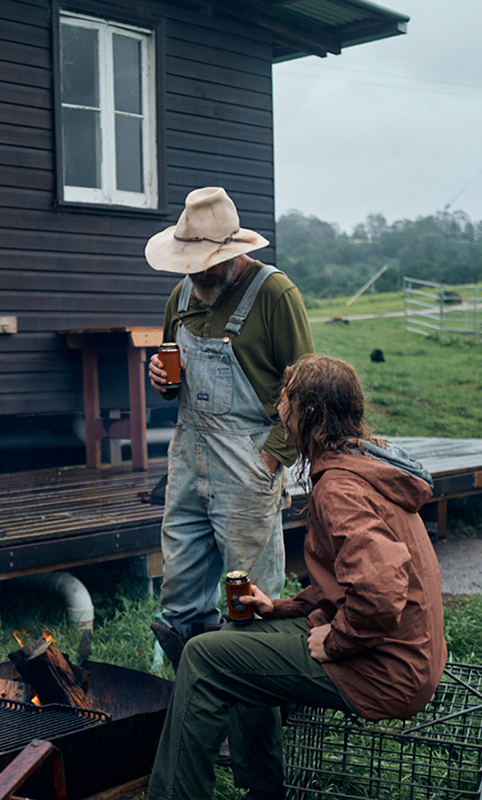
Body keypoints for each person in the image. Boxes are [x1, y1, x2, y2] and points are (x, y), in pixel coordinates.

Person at [146, 355, 447, 800]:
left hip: (386, 669)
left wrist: (336, 640)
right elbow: (352, 581)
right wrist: (280, 607)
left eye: (284, 398)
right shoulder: (361, 463)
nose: (277, 407)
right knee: (244, 630)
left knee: (204, 658)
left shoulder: (339, 488)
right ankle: (265, 791)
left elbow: (380, 592)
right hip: (405, 652)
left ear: (308, 412)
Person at [144, 186, 315, 668]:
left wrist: (270, 458)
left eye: (204, 263)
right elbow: (172, 374)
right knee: (179, 584)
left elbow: (306, 387)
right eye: (189, 262)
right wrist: (159, 381)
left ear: (230, 254)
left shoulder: (275, 295)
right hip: (187, 453)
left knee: (251, 593)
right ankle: (185, 692)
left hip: (247, 459)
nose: (195, 273)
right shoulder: (182, 294)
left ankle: (257, 695)